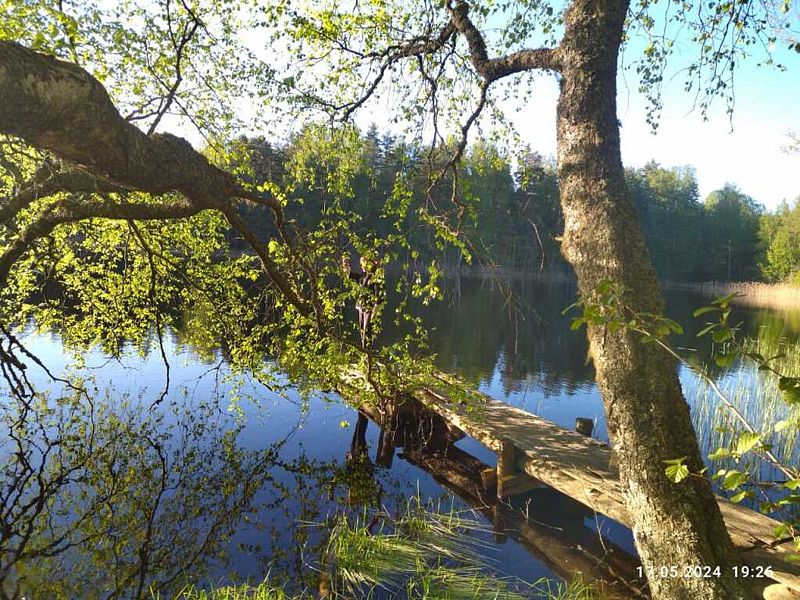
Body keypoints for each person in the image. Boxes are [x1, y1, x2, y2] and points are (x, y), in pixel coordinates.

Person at [341, 252, 385, 348]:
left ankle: (368, 356)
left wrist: (374, 312)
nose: (361, 265)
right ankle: (366, 356)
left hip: (370, 309)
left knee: (367, 333)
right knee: (363, 332)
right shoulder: (364, 275)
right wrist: (346, 265)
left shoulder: (376, 276)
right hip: (362, 307)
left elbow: (380, 296)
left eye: (363, 263)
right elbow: (351, 275)